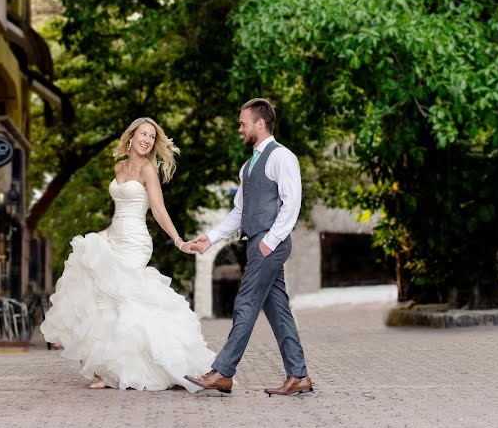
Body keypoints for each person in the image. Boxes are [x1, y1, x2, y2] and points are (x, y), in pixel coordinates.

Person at [40, 117, 215, 391]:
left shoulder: (147, 170)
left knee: (126, 295)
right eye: (143, 134)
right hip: (115, 235)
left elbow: (157, 210)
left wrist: (179, 242)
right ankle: (109, 370)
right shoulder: (119, 166)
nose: (146, 140)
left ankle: (172, 362)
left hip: (136, 242)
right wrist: (103, 234)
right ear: (131, 137)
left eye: (152, 137)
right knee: (103, 294)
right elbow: (118, 211)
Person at [184, 98, 313, 396]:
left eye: (243, 123)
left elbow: (292, 204)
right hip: (255, 243)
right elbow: (239, 212)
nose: (239, 129)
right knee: (278, 310)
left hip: (270, 243)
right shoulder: (247, 166)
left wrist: (270, 241)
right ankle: (298, 375)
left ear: (260, 123)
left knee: (245, 304)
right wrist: (211, 238)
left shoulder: (283, 157)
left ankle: (223, 372)